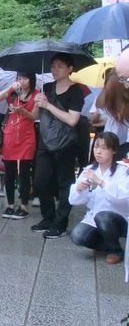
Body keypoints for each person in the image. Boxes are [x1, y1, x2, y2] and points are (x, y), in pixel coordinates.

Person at [31, 53, 84, 239]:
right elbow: (35, 116)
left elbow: (72, 120)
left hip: (66, 143)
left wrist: (48, 106)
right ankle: (48, 217)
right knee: (40, 181)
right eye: (53, 66)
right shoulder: (46, 87)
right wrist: (37, 104)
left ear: (70, 69)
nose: (54, 69)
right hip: (45, 141)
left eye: (59, 66)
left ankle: (60, 224)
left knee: (64, 184)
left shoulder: (77, 91)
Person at [69, 132, 129, 265]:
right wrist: (79, 189)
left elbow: (122, 197)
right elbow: (74, 201)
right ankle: (107, 244)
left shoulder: (122, 170)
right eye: (96, 147)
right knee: (77, 236)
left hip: (120, 217)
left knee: (104, 217)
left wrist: (101, 183)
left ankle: (114, 251)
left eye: (104, 148)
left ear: (114, 151)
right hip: (95, 217)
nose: (98, 151)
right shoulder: (89, 169)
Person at [0, 72, 39, 219]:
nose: (22, 81)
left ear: (31, 80)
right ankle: (10, 204)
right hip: (10, 134)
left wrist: (22, 111)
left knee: (24, 172)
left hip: (27, 136)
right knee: (9, 171)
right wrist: (9, 89)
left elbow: (34, 116)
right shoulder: (12, 93)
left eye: (25, 78)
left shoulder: (37, 94)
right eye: (19, 78)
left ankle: (24, 205)